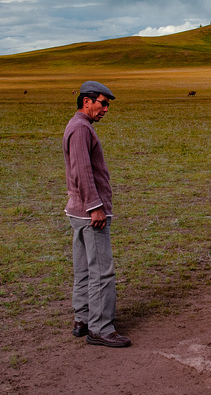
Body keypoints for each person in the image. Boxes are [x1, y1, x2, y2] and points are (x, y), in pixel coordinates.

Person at [62, 80, 131, 347]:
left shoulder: (78, 126)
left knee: (83, 269)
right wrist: (95, 207)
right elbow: (82, 170)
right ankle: (100, 328)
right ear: (86, 101)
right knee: (101, 272)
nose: (105, 109)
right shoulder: (81, 128)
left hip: (77, 211)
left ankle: (83, 319)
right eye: (103, 103)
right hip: (89, 213)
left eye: (107, 105)